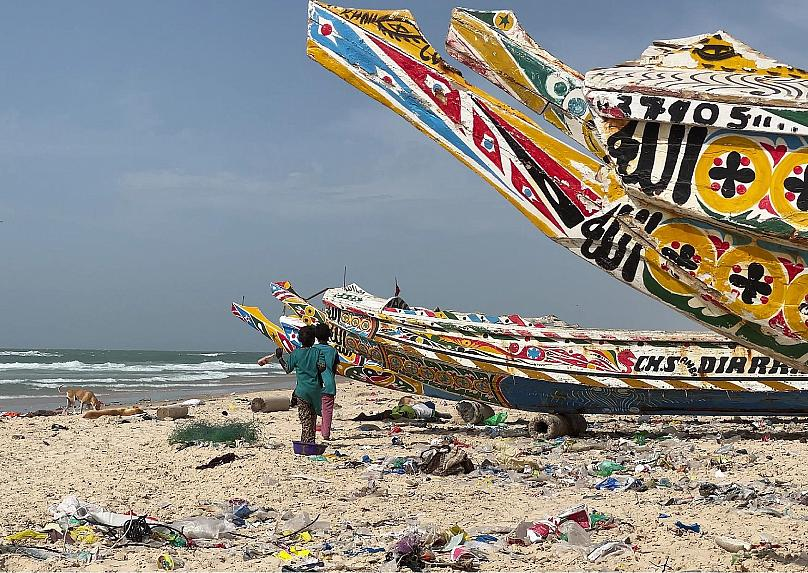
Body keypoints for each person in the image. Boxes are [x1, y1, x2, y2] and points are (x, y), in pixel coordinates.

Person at [258, 326, 323, 443]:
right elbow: (322, 367)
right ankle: (311, 442)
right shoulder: (318, 352)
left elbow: (287, 369)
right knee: (312, 418)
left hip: (302, 392)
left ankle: (306, 443)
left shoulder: (296, 354)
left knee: (305, 419)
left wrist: (280, 358)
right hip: (316, 390)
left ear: (299, 339)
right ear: (313, 340)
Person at [314, 323, 339, 440]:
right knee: (327, 411)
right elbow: (334, 369)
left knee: (312, 410)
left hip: (314, 384)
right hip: (328, 384)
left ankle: (310, 432)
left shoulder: (312, 350)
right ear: (329, 335)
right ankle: (325, 434)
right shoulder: (333, 351)